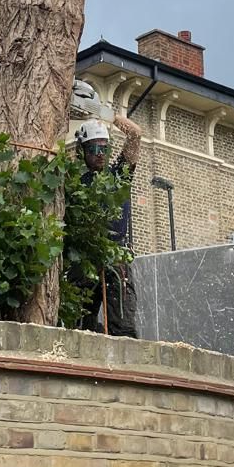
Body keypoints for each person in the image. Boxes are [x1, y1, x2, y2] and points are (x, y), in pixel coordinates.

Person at [74, 111, 142, 337]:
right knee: (81, 320)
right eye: (93, 149)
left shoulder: (120, 175)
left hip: (116, 253)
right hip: (86, 255)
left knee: (122, 321)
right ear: (82, 151)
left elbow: (135, 135)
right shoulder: (76, 183)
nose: (99, 154)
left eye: (104, 148)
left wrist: (109, 115)